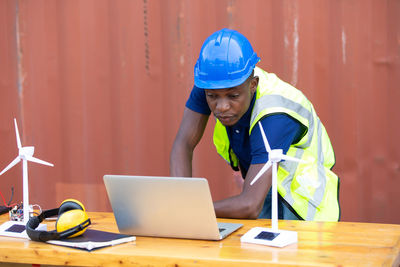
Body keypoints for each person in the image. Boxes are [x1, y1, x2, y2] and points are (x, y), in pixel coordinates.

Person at [170, 28, 340, 221]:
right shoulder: (214, 84)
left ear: (253, 85)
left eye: (233, 96)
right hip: (262, 186)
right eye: (213, 97)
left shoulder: (275, 115)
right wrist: (181, 199)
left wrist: (190, 209)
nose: (222, 106)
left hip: (303, 208)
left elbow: (249, 206)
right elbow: (183, 143)